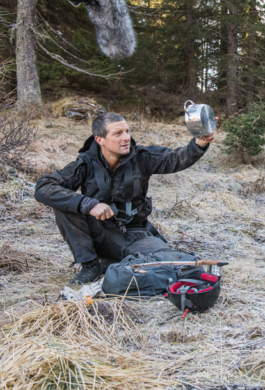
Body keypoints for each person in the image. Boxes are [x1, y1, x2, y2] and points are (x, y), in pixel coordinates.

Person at [35, 112, 214, 285]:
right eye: (118, 133)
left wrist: (200, 142)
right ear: (100, 140)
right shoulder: (85, 164)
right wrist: (87, 204)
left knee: (166, 262)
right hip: (98, 231)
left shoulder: (142, 157)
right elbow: (44, 187)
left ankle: (110, 263)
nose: (126, 137)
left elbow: (175, 159)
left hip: (134, 232)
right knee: (66, 205)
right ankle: (90, 265)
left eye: (127, 131)